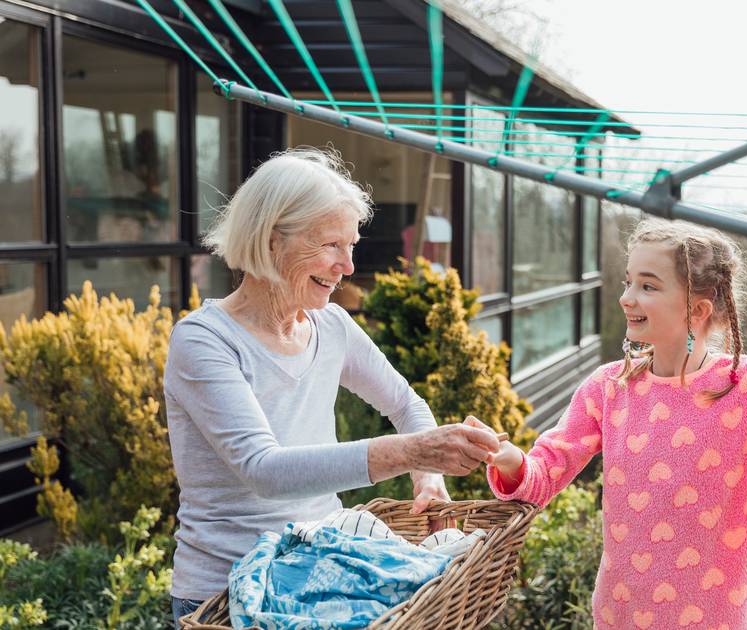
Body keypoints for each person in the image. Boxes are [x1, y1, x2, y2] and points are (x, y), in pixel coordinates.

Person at [163, 148, 501, 627]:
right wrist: (410, 453)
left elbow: (406, 403)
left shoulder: (331, 325)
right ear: (271, 240)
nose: (346, 266)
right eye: (329, 245)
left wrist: (428, 476)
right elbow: (265, 471)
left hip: (321, 577)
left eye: (350, 245)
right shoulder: (204, 340)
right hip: (224, 597)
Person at [476, 218, 747, 629]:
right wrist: (511, 461)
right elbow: (543, 475)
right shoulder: (608, 388)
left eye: (648, 286)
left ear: (698, 310)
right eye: (628, 282)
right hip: (622, 619)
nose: (627, 298)